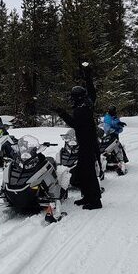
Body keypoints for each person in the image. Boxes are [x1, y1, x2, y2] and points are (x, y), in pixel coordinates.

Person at [55, 63, 103, 210]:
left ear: (77, 97)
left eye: (72, 97)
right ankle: (87, 196)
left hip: (87, 144)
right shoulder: (87, 103)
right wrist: (87, 76)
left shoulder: (82, 109)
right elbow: (92, 91)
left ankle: (95, 201)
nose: (71, 99)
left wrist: (62, 113)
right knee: (82, 171)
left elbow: (75, 124)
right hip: (87, 143)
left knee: (88, 172)